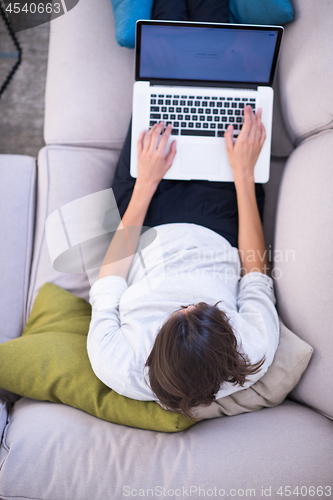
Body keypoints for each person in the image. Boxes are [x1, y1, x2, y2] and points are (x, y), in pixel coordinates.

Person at [87, 106, 280, 421]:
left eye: (178, 312)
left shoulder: (117, 363)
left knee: (154, 104)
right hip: (220, 223)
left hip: (139, 228)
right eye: (203, 305)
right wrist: (243, 174)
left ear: (152, 350)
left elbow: (109, 279)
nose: (186, 300)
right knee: (227, 103)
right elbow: (255, 274)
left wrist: (146, 184)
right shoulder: (254, 348)